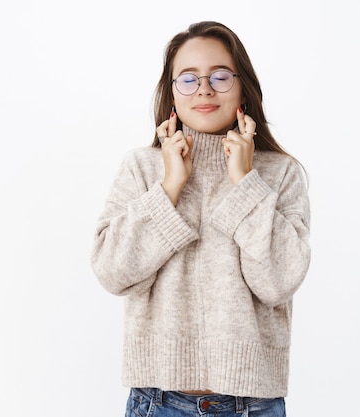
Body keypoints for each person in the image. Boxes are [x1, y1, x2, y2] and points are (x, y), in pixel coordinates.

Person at [91, 21, 310, 417]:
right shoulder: (142, 168)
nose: (204, 89)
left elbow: (277, 282)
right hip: (157, 401)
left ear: (243, 86)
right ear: (171, 92)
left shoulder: (280, 174)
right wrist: (171, 185)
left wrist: (245, 182)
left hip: (254, 406)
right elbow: (112, 272)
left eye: (220, 76)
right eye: (188, 79)